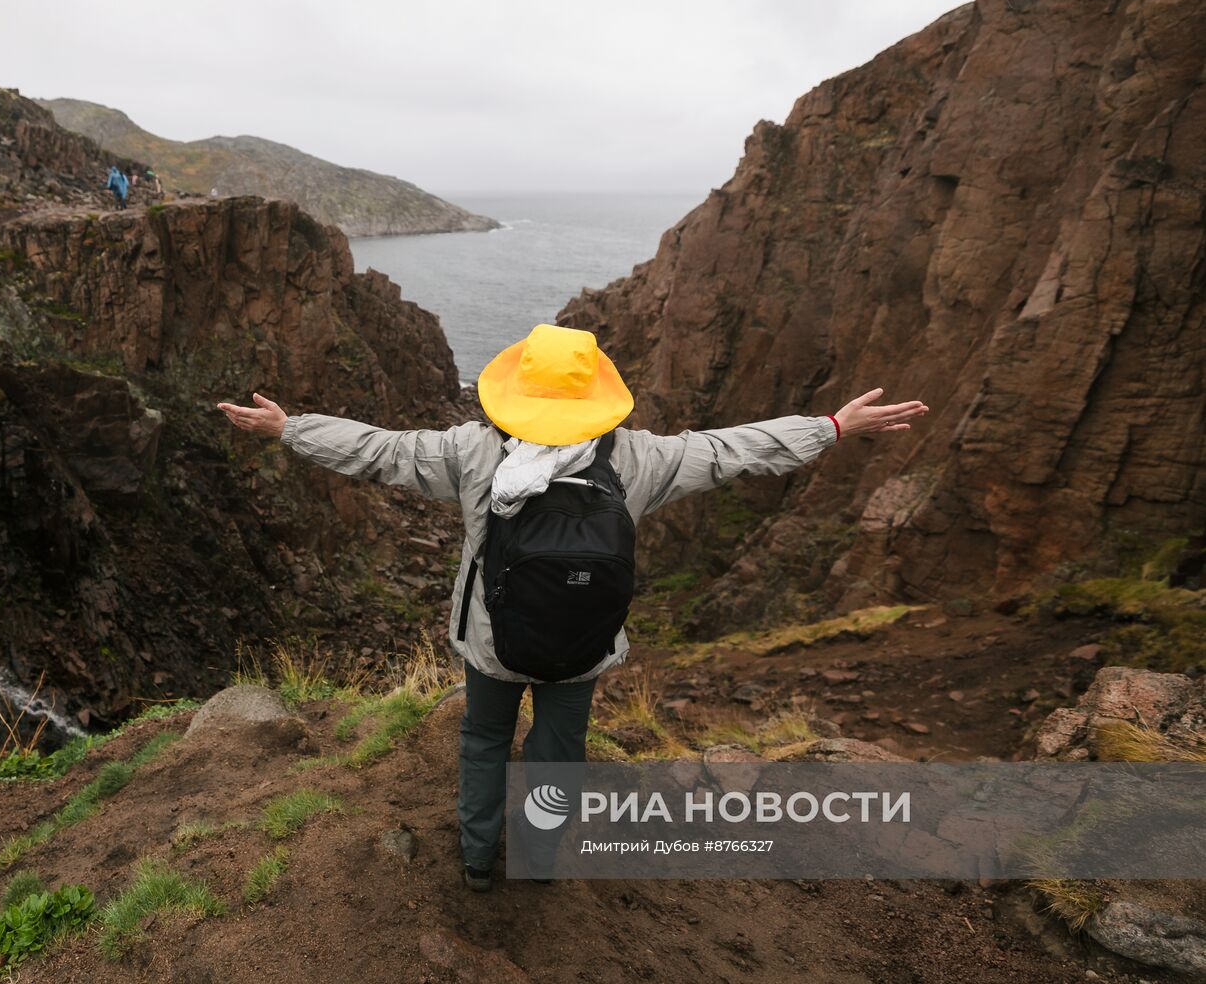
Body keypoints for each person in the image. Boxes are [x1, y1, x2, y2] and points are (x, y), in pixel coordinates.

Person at [216, 323, 928, 892]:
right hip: (583, 648)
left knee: (484, 742)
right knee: (558, 753)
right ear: (595, 396)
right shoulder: (636, 460)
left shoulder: (474, 454)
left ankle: (475, 860)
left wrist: (292, 428)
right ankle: (541, 858)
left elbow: (380, 451)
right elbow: (731, 451)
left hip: (493, 646)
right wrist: (831, 427)